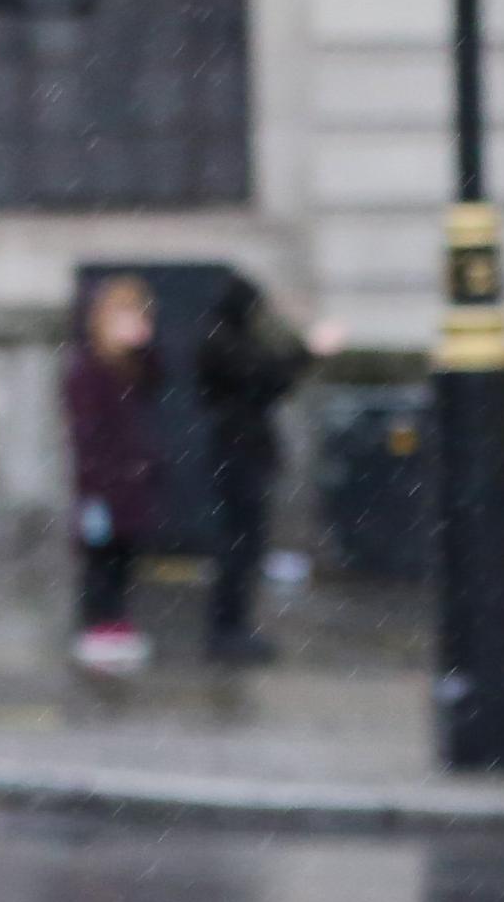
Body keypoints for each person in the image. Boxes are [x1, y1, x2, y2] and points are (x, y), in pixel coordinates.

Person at [191, 275, 320, 666]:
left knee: (245, 544)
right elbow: (266, 376)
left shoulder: (225, 340)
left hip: (243, 452)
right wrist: (307, 350)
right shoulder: (222, 342)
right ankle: (226, 629)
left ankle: (232, 627)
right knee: (238, 545)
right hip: (236, 453)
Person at [62, 275, 166, 676]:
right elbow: (86, 432)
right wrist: (99, 481)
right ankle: (97, 625)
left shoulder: (131, 365)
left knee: (124, 555)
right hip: (102, 485)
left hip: (132, 481)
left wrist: (143, 346)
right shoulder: (88, 367)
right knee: (100, 557)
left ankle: (116, 622)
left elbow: (159, 382)